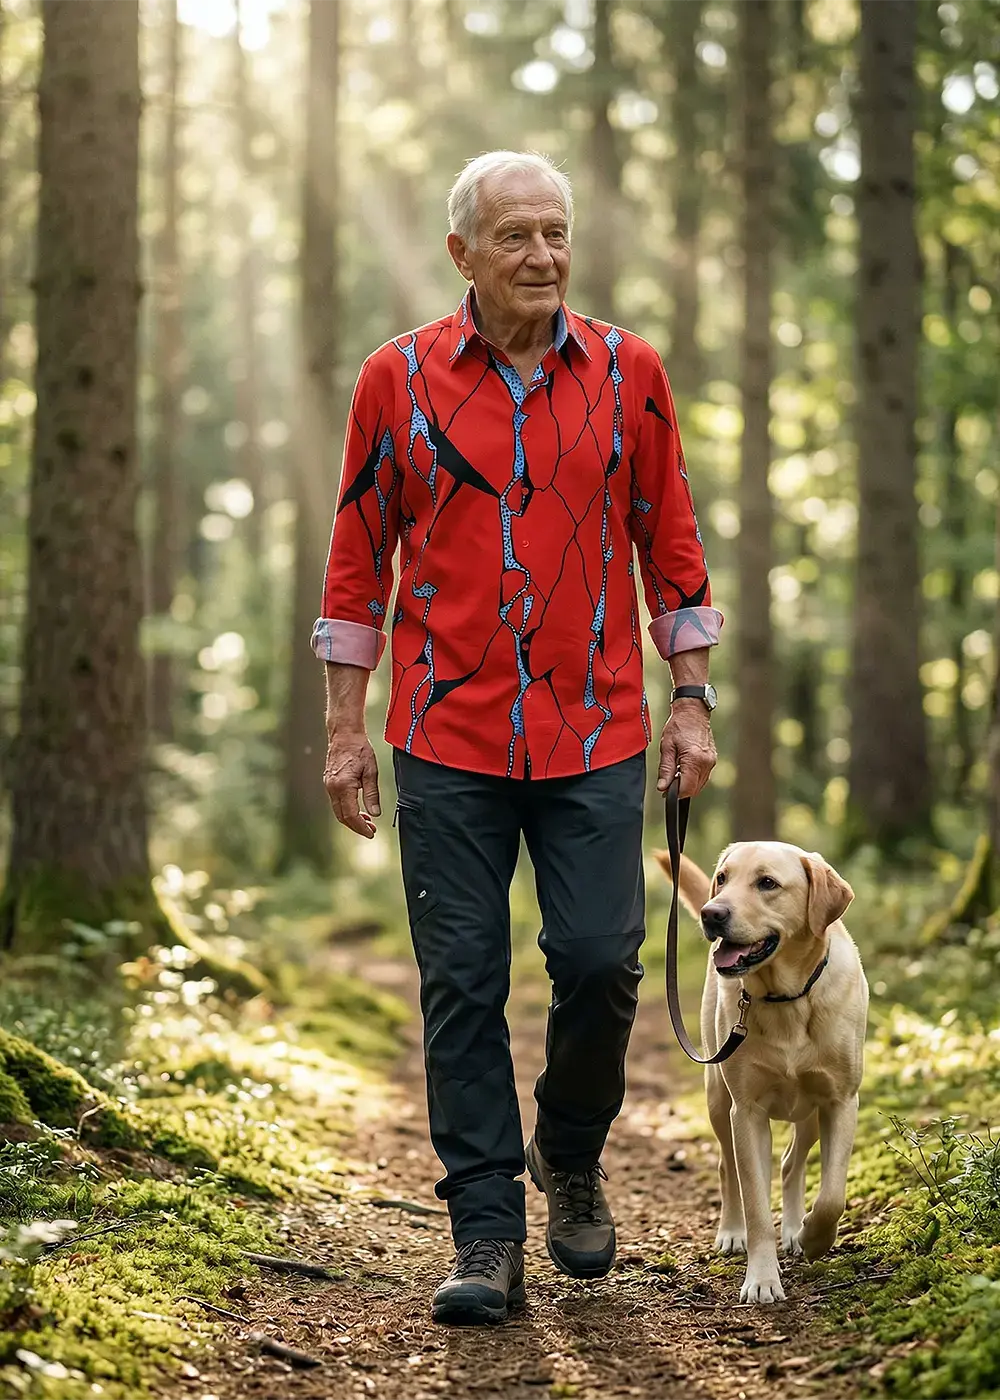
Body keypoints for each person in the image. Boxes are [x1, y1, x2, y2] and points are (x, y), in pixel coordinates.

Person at [314, 150, 721, 1326]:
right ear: (462, 255)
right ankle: (485, 1225)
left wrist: (689, 697)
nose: (541, 256)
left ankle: (574, 1153)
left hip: (595, 724)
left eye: (555, 233)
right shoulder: (394, 380)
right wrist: (346, 731)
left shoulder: (629, 370)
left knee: (600, 958)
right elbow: (356, 563)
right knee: (460, 981)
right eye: (514, 238)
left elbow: (671, 541)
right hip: (444, 730)